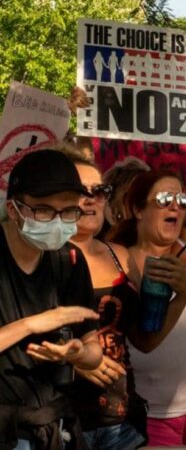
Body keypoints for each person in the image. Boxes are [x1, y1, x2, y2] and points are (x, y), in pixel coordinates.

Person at [0, 149, 103, 448]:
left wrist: (76, 354)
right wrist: (33, 324)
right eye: (44, 210)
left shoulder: (68, 260)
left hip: (55, 426)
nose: (57, 221)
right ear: (13, 207)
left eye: (69, 211)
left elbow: (92, 350)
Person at [111, 170, 186, 447]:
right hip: (152, 414)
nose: (175, 206)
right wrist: (180, 295)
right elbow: (142, 339)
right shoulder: (118, 258)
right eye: (163, 198)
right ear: (137, 209)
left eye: (182, 199)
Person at [56, 147, 147, 450]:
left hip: (121, 422)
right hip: (64, 422)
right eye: (81, 191)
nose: (92, 199)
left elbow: (145, 339)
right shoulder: (40, 258)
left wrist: (180, 297)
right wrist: (75, 362)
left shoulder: (119, 255)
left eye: (100, 190)